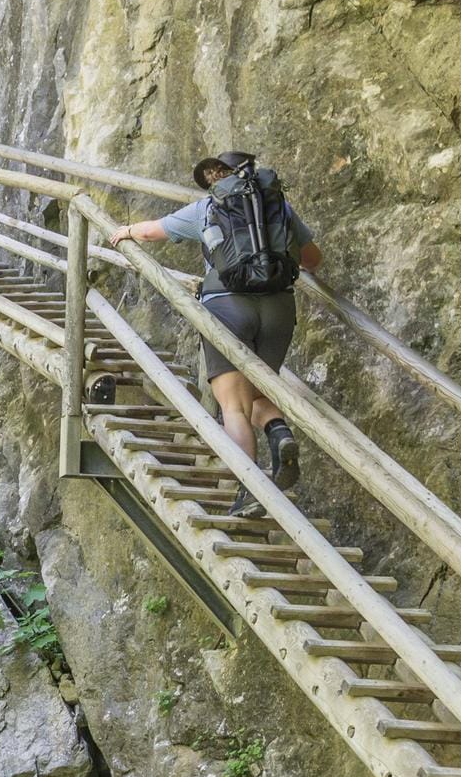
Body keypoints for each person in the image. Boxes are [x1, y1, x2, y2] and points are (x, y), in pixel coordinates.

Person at [105, 151, 323, 519]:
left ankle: (251, 489)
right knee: (254, 393)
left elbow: (151, 231)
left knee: (233, 406)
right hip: (279, 308)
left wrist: (124, 232)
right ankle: (279, 431)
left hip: (227, 306)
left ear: (216, 177)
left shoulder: (206, 208)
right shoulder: (278, 205)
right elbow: (313, 259)